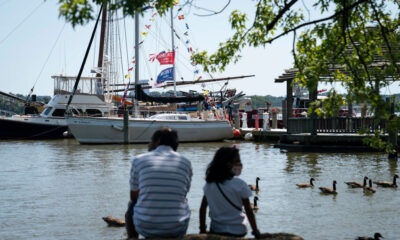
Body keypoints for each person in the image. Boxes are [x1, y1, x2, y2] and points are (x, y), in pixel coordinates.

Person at [127, 127, 193, 238]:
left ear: (157, 141)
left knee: (131, 205)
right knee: (183, 200)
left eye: (151, 141)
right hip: (177, 227)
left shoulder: (138, 160)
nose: (149, 144)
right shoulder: (185, 162)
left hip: (146, 227)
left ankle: (132, 238)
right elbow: (184, 193)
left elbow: (133, 197)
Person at [199, 146, 262, 238]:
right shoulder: (240, 184)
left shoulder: (209, 185)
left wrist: (202, 230)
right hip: (239, 230)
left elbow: (203, 208)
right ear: (230, 165)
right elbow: (248, 210)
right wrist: (256, 232)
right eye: (238, 162)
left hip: (217, 230)